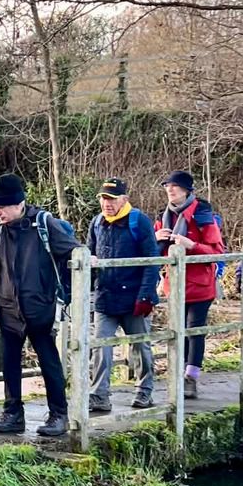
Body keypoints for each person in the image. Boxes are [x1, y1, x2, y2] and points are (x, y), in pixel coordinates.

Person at [0, 173, 80, 438]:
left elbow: (74, 251)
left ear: (18, 203)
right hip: (8, 310)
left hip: (40, 309)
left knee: (49, 362)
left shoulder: (43, 224)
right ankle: (13, 413)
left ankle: (59, 414)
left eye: (0, 207)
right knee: (10, 363)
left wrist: (87, 265)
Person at [86, 177, 159, 414]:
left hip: (134, 296)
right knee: (100, 346)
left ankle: (144, 390)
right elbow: (89, 253)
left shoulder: (139, 221)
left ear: (124, 199)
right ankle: (99, 395)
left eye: (112, 199)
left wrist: (146, 296)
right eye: (103, 198)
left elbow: (152, 261)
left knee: (140, 346)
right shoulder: (97, 223)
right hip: (106, 296)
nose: (107, 204)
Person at [155, 170, 224, 400]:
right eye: (167, 186)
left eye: (175, 186)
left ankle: (191, 377)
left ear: (187, 190)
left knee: (195, 330)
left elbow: (217, 251)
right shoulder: (163, 216)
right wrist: (158, 240)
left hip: (200, 284)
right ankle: (178, 374)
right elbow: (154, 254)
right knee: (178, 331)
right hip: (174, 284)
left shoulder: (203, 213)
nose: (170, 190)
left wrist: (191, 244)